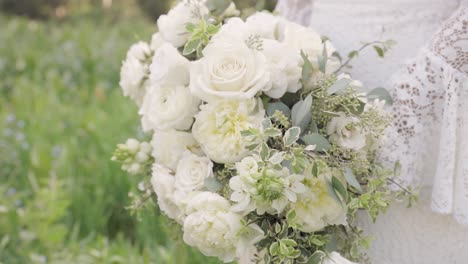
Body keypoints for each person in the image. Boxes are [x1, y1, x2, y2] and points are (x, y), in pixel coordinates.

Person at [276, 0, 468, 263]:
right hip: (316, 79)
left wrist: (419, 93)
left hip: (425, 91)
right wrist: (281, 62)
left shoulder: (420, 94)